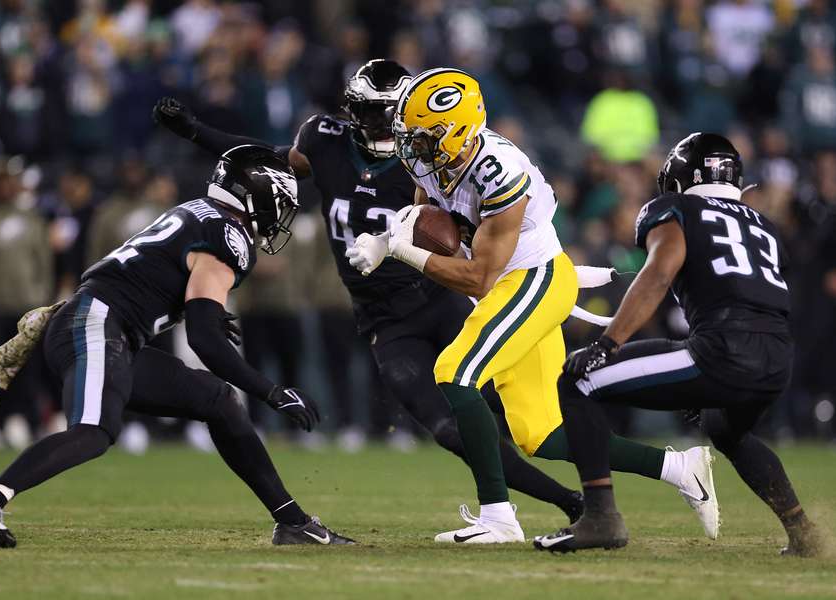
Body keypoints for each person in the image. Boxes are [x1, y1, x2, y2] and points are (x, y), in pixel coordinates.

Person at [153, 60, 588, 522]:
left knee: (519, 409)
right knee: (448, 428)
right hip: (384, 318)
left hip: (442, 297)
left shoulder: (427, 158)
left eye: (388, 114)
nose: (380, 125)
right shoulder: (324, 140)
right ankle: (559, 503)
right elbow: (270, 160)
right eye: (371, 112)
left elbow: (487, 219)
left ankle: (589, 475)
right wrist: (196, 131)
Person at [347, 67, 717, 543]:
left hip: (532, 280)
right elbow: (428, 219)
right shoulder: (433, 157)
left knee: (455, 372)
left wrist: (399, 250)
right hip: (515, 281)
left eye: (422, 139)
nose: (412, 150)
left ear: (458, 131)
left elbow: (478, 277)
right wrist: (388, 235)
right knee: (541, 435)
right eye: (410, 138)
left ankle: (498, 518)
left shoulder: (501, 170)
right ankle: (678, 467)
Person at [0, 145, 353, 548]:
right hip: (97, 323)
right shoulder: (227, 234)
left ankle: (293, 522)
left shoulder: (198, 211)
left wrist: (204, 313)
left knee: (218, 400)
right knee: (93, 432)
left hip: (107, 328)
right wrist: (271, 391)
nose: (278, 215)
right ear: (255, 197)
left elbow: (168, 284)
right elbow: (204, 341)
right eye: (278, 203)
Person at [533, 133, 821, 556]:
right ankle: (804, 533)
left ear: (681, 178)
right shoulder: (763, 225)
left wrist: (608, 343)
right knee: (727, 430)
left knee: (578, 380)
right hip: (777, 359)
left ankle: (600, 517)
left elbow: (659, 272)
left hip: (722, 350)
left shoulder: (675, 207)